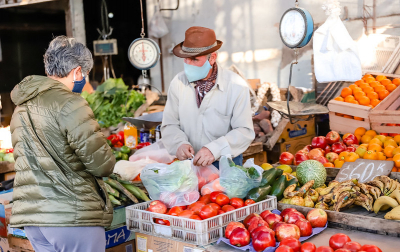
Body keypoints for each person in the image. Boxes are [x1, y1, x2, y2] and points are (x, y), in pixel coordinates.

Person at [9, 36, 116, 252]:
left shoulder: (21, 107)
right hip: (70, 216)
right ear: (77, 72)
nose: (84, 80)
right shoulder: (70, 103)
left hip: (34, 219)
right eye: (84, 75)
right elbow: (102, 165)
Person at [161, 26, 255, 168]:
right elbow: (170, 124)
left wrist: (214, 149)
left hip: (226, 166)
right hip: (189, 166)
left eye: (194, 60)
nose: (188, 65)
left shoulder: (236, 86)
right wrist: (179, 144)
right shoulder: (178, 83)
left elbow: (244, 131)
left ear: (212, 58)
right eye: (185, 59)